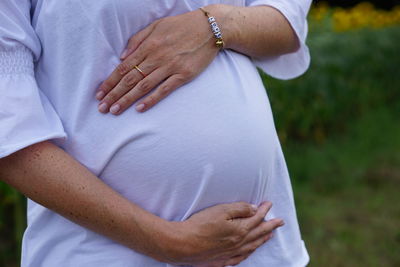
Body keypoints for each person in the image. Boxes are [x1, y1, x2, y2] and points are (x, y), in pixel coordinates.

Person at [0, 0, 311, 266]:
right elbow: (10, 134)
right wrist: (171, 242)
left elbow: (287, 19)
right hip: (104, 253)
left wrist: (216, 25)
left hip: (256, 244)